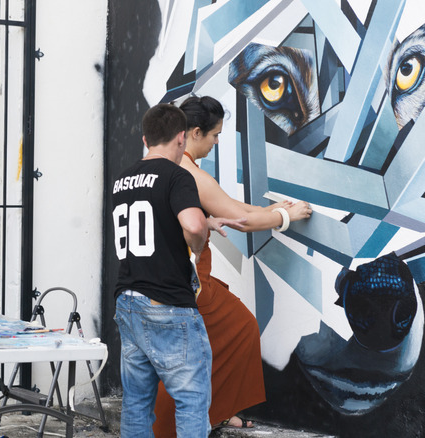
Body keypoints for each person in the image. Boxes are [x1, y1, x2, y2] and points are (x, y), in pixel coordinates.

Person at [152, 96, 312, 436]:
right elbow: (237, 219)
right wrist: (285, 216)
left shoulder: (170, 168)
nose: (217, 142)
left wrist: (268, 211)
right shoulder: (188, 173)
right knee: (227, 336)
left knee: (223, 337)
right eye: (214, 135)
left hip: (170, 281)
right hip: (188, 282)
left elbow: (229, 206)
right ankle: (173, 426)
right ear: (195, 133)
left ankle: (209, 413)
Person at [112, 103, 245, 437]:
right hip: (167, 304)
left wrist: (206, 221)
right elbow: (191, 224)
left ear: (146, 139)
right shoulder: (177, 176)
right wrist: (199, 244)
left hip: (128, 302)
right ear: (182, 139)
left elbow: (156, 220)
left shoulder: (123, 180)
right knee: (192, 400)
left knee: (137, 404)